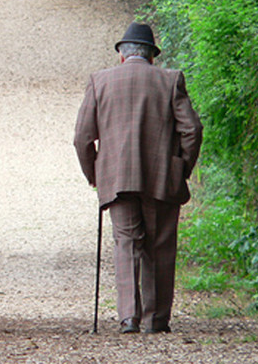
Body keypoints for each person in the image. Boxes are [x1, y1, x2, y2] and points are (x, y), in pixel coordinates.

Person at [73, 22, 202, 334]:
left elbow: (82, 137)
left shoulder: (99, 81)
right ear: (152, 57)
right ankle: (155, 320)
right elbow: (193, 130)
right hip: (161, 179)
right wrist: (180, 168)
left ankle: (129, 317)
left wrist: (95, 174)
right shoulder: (170, 80)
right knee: (159, 245)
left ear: (121, 56)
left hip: (117, 178)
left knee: (126, 244)